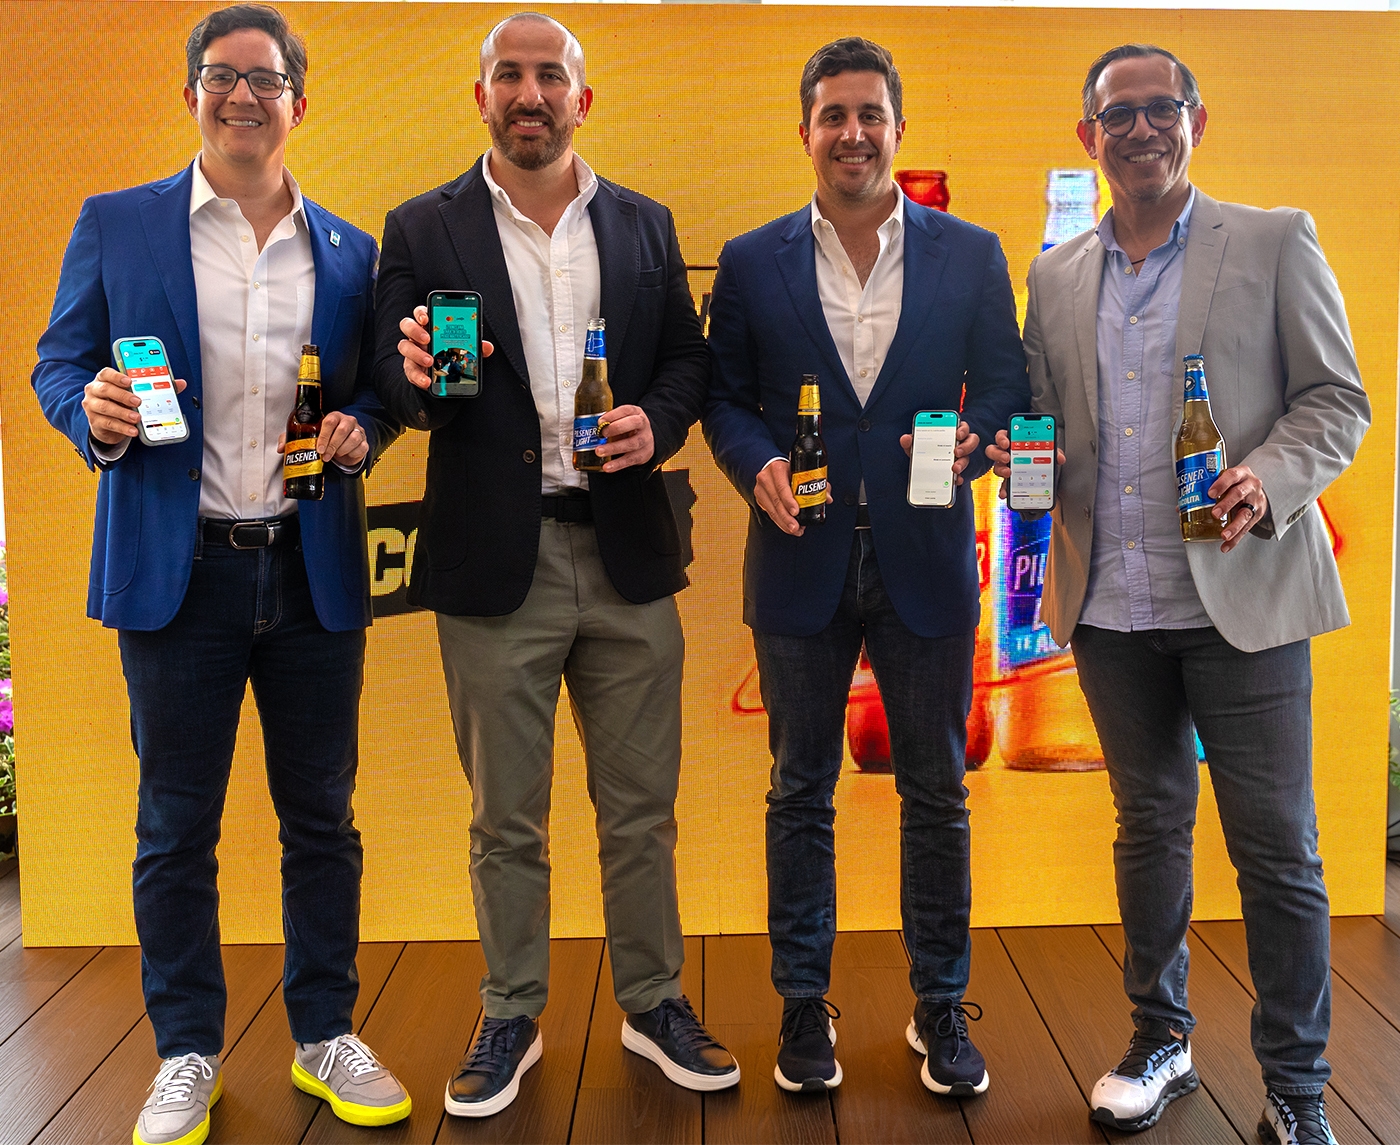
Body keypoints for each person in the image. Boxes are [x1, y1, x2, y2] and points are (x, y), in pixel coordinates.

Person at [30, 6, 411, 1143]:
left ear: (300, 101)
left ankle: (324, 1032)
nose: (244, 95)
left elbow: (378, 390)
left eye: (266, 79)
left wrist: (365, 426)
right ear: (192, 93)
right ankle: (186, 1051)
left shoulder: (348, 251)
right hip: (177, 571)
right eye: (221, 75)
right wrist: (90, 413)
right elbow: (59, 364)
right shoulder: (118, 224)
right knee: (174, 826)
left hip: (310, 570)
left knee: (322, 819)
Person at [986, 43, 1369, 1145]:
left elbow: (1334, 399)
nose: (1142, 128)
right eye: (1119, 114)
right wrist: (1005, 444)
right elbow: (1044, 422)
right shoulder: (1055, 275)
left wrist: (1271, 476)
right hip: (1110, 605)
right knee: (1147, 829)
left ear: (1196, 120)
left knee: (1277, 850)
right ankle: (1160, 1039)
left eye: (1162, 108)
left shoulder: (1272, 238)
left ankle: (1296, 1088)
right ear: (1088, 136)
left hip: (1242, 598)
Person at [375, 11, 737, 1119]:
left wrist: (656, 421)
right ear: (481, 95)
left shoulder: (642, 222)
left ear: (582, 98)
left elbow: (688, 362)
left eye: (549, 76)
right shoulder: (420, 226)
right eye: (509, 75)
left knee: (641, 810)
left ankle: (653, 1001)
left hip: (626, 551)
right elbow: (395, 387)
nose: (528, 93)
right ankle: (511, 1012)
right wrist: (412, 377)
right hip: (495, 558)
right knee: (505, 817)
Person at [703, 37, 1028, 1097]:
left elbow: (1006, 384)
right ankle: (803, 1005)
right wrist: (752, 460)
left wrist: (981, 432)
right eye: (833, 115)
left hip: (924, 555)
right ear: (804, 130)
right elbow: (724, 399)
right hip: (797, 556)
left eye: (869, 115)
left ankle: (940, 1005)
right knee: (798, 791)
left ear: (897, 128)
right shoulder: (750, 259)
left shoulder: (969, 253)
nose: (852, 133)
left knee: (936, 791)